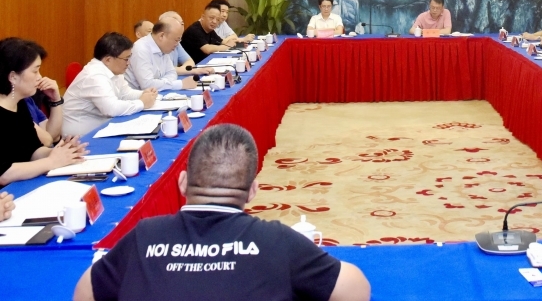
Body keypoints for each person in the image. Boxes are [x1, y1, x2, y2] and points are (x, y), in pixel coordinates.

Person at [73, 124, 370, 301]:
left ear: (182, 182)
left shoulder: (145, 235)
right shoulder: (277, 240)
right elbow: (356, 289)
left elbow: (85, 291)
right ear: (252, 191)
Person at [0, 38, 88, 186]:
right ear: (13, 77)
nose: (40, 77)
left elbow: (33, 150)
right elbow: (4, 174)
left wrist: (63, 152)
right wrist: (51, 161)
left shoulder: (20, 104)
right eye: (35, 71)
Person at [62, 33, 158, 138]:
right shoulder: (94, 75)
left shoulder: (113, 70)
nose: (129, 63)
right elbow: (111, 109)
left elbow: (125, 94)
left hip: (100, 126)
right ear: (108, 60)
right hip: (80, 136)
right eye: (126, 59)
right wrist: (142, 103)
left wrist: (145, 94)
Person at [125, 18, 198, 91]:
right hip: (138, 96)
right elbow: (147, 85)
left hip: (156, 93)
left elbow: (172, 73)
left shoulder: (163, 47)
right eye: (176, 40)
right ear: (161, 36)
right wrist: (179, 84)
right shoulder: (141, 50)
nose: (177, 44)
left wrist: (162, 83)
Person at [159, 11, 214, 77]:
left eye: (182, 23)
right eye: (179, 24)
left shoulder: (177, 43)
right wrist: (192, 70)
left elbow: (190, 62)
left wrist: (182, 70)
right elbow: (164, 70)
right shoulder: (157, 44)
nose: (181, 27)